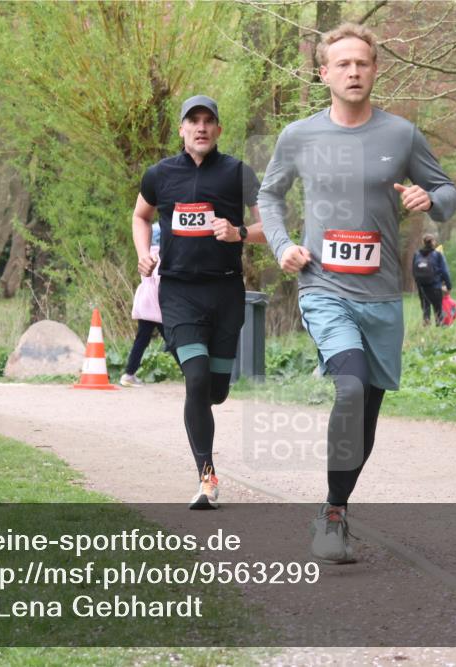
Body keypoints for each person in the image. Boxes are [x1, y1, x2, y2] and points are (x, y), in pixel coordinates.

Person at [258, 24, 456, 562]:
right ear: (323, 73)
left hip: (382, 297)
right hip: (323, 287)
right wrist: (282, 246)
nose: (353, 72)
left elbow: (448, 191)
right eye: (342, 64)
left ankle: (336, 508)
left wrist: (430, 199)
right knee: (348, 390)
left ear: (375, 70)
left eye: (362, 64)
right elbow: (269, 195)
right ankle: (329, 519)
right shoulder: (299, 136)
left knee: (365, 414)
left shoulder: (402, 135)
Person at [131, 95, 265, 509]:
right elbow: (141, 216)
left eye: (209, 121)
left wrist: (240, 232)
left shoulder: (238, 173)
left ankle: (205, 410)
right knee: (196, 378)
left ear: (219, 130)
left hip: (225, 291)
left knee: (216, 391)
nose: (202, 128)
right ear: (182, 129)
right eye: (194, 121)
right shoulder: (160, 174)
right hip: (178, 292)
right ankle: (206, 478)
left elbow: (271, 225)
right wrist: (143, 252)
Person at [121, 223, 163, 388]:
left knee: (142, 340)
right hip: (157, 304)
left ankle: (129, 374)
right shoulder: (160, 256)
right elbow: (160, 280)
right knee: (175, 340)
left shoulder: (144, 254)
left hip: (146, 302)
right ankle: (192, 375)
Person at [411, 233, 452, 326]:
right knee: (438, 310)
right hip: (435, 287)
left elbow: (414, 271)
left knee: (425, 308)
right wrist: (449, 286)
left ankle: (426, 323)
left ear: (423, 242)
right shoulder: (437, 255)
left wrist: (419, 283)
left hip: (422, 287)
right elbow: (445, 271)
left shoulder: (417, 255)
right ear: (433, 242)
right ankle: (439, 327)